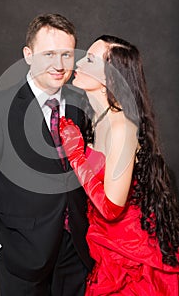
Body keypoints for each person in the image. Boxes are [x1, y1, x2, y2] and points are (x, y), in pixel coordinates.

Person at [0, 13, 94, 296]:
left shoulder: (79, 105)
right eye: (49, 54)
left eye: (66, 54)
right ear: (28, 55)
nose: (59, 64)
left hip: (76, 252)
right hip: (23, 255)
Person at [59, 35, 179, 295]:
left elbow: (113, 207)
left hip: (131, 255)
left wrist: (77, 155)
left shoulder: (122, 127)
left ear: (109, 79)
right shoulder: (98, 118)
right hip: (105, 245)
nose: (79, 62)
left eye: (90, 59)